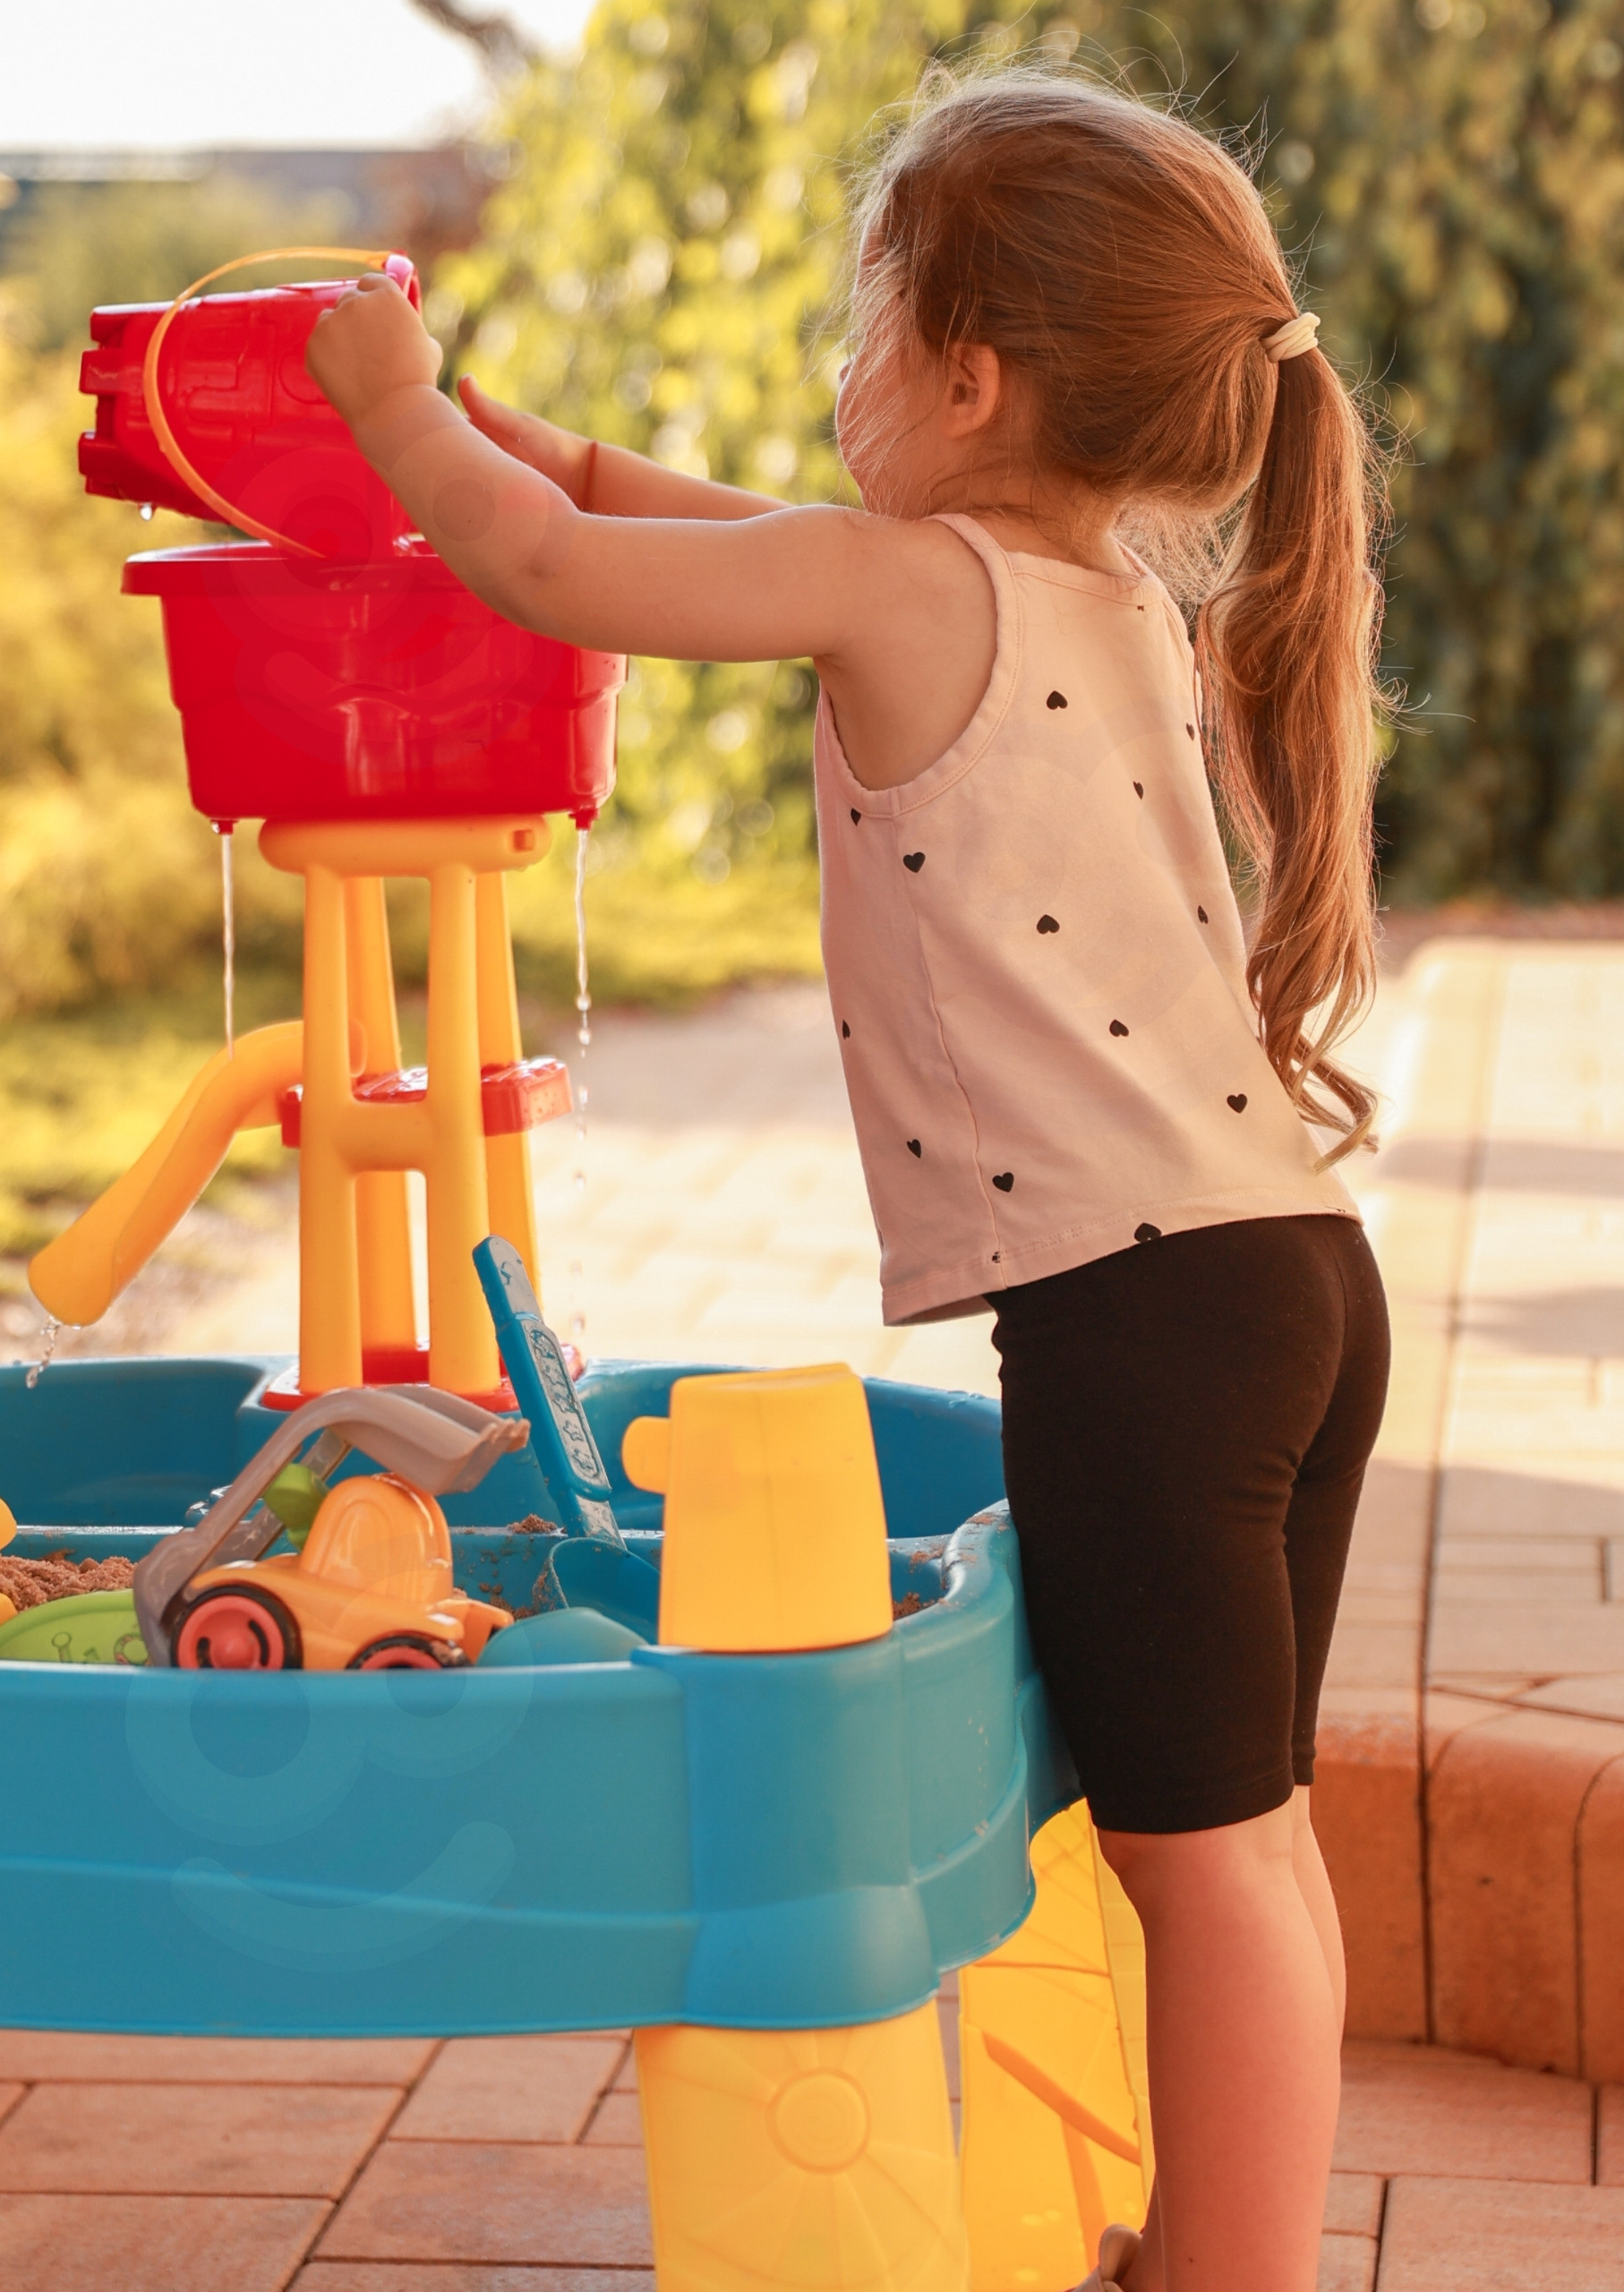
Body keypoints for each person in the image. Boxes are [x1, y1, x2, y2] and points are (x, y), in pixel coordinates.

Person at [306, 62, 1392, 2292]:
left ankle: (1227, 2276)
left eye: (866, 316)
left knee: (1192, 1858)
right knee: (1252, 1842)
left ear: (968, 376)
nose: (839, 363)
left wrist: (396, 414)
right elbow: (636, 514)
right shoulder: (1096, 595)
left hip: (1140, 1320)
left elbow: (549, 571)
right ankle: (1221, 2252)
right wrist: (512, 430)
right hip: (1287, 1278)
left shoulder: (892, 583)